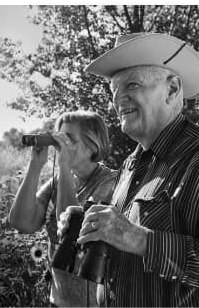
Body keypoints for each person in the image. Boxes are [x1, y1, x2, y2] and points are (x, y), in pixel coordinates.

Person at [60, 32, 199, 307]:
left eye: (132, 84)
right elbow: (124, 255)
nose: (118, 99)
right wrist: (90, 230)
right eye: (114, 90)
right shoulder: (130, 165)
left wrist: (141, 240)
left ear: (172, 89)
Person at [9, 111, 118, 307]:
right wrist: (35, 165)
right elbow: (22, 222)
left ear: (92, 145)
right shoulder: (59, 180)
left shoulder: (112, 183)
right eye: (59, 138)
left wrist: (64, 167)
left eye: (69, 139)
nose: (61, 145)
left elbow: (71, 231)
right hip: (59, 298)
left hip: (94, 301)